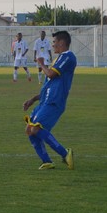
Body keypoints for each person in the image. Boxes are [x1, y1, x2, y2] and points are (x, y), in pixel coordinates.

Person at [22, 31, 75, 170]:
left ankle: (65, 153)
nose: (53, 45)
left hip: (55, 101)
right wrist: (33, 99)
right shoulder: (57, 60)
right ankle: (47, 161)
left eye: (54, 42)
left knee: (36, 129)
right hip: (45, 100)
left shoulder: (68, 57)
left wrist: (41, 64)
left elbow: (50, 74)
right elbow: (48, 86)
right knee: (29, 129)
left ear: (62, 43)